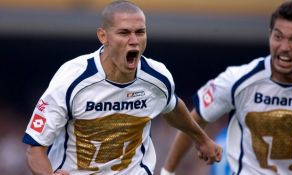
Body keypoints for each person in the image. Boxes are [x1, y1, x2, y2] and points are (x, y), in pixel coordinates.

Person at [22, 1, 222, 175]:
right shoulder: (71, 80)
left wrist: (202, 139)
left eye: (140, 32)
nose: (133, 40)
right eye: (124, 32)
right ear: (103, 36)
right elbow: (35, 147)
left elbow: (172, 106)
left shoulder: (157, 77)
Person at [161, 0, 292, 175]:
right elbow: (193, 120)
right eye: (278, 36)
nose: (284, 47)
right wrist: (167, 172)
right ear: (269, 35)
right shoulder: (239, 80)